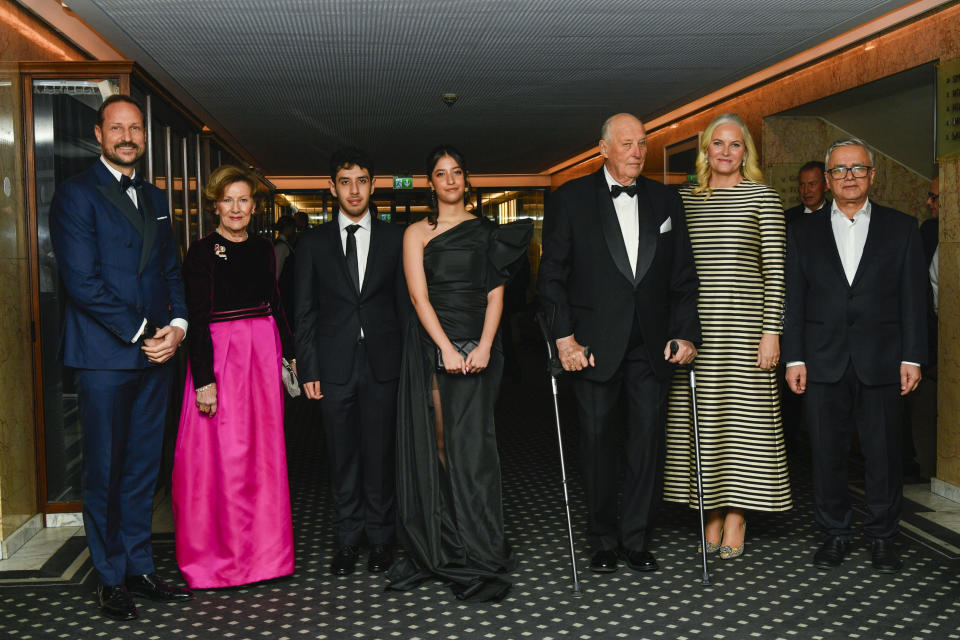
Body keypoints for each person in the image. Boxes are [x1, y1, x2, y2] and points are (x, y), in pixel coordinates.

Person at [48, 94, 192, 620]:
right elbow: (82, 282)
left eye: (135, 128)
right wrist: (145, 331)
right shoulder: (74, 195)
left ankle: (137, 565)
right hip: (105, 357)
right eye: (118, 128)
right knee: (105, 470)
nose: (128, 136)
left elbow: (170, 273)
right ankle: (108, 577)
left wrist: (176, 329)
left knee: (141, 469)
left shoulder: (155, 196)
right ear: (99, 133)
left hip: (158, 356)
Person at [538, 113, 700, 575]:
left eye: (642, 144)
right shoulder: (569, 199)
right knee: (596, 443)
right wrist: (564, 340)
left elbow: (684, 278)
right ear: (603, 148)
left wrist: (687, 333)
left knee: (647, 443)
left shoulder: (666, 199)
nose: (636, 151)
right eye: (627, 144)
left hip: (652, 346)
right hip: (591, 346)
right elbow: (552, 279)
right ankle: (603, 538)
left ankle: (636, 538)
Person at [387, 145, 531, 601]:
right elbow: (418, 298)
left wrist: (486, 346)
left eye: (456, 173)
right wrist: (446, 348)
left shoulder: (490, 233)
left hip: (481, 346)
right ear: (430, 183)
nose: (449, 180)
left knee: (477, 446)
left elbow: (495, 297)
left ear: (466, 180)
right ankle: (448, 535)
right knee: (442, 439)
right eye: (439, 174)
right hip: (434, 347)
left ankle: (479, 539)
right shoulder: (416, 233)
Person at [784, 137, 927, 574]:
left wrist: (913, 356)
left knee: (883, 456)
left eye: (858, 169)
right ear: (827, 180)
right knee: (826, 454)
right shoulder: (801, 231)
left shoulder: (902, 228)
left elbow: (914, 299)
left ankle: (883, 537)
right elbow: (794, 297)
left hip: (883, 360)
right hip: (820, 361)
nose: (849, 177)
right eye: (840, 170)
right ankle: (834, 534)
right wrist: (794, 357)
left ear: (872, 176)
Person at [663, 113, 792, 560]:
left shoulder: (764, 199)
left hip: (746, 331)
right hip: (698, 333)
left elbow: (776, 273)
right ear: (704, 150)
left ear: (746, 153)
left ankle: (737, 514)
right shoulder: (684, 201)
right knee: (704, 424)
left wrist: (771, 333)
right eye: (716, 144)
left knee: (746, 427)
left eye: (734, 145)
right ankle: (709, 510)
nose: (724, 151)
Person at [171, 165, 296, 588]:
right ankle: (220, 561)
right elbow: (198, 317)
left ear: (254, 206)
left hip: (262, 353)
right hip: (221, 357)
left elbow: (275, 303)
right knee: (222, 456)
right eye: (228, 200)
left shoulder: (264, 249)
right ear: (215, 206)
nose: (236, 208)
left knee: (263, 455)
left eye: (244, 199)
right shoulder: (202, 252)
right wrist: (203, 378)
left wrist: (292, 355)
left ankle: (265, 558)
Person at [294, 148, 407, 576]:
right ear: (332, 187)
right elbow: (304, 311)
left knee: (380, 456)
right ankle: (346, 540)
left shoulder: (396, 239)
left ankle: (380, 540)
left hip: (383, 365)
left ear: (373, 185)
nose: (354, 189)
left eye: (361, 180)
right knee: (341, 458)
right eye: (345, 181)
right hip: (333, 367)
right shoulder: (312, 243)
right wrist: (310, 369)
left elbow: (405, 308)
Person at [784, 161, 829, 225]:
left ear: (826, 186)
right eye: (802, 184)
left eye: (812, 184)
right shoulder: (787, 218)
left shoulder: (836, 215)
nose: (806, 191)